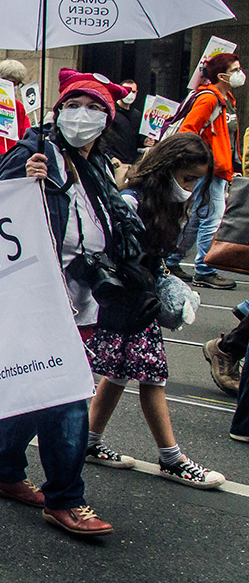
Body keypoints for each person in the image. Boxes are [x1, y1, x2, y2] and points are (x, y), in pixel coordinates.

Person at [0, 69, 132, 537]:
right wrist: (19, 180)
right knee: (66, 391)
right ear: (57, 110)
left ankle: (4, 471)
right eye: (72, 105)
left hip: (82, 299)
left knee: (36, 386)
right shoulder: (35, 152)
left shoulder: (100, 168)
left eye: (93, 108)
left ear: (106, 119)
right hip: (39, 297)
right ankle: (66, 498)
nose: (81, 115)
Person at [83, 132, 225, 489]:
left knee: (118, 374)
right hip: (127, 301)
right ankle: (171, 458)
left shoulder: (161, 202)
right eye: (188, 179)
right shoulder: (132, 201)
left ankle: (88, 441)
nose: (190, 187)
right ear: (168, 169)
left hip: (137, 300)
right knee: (152, 377)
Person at [164, 52, 243, 290]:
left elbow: (228, 138)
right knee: (212, 218)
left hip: (217, 169)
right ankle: (204, 270)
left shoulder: (225, 98)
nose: (240, 74)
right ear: (221, 75)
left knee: (197, 217)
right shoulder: (209, 99)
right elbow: (188, 130)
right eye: (235, 70)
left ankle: (173, 260)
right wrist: (205, 160)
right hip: (210, 170)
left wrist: (233, 164)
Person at [103, 78, 143, 164]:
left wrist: (145, 141)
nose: (130, 94)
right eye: (127, 91)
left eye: (133, 92)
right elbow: (103, 139)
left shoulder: (137, 115)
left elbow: (138, 138)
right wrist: (111, 157)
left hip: (133, 163)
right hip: (116, 163)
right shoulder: (111, 112)